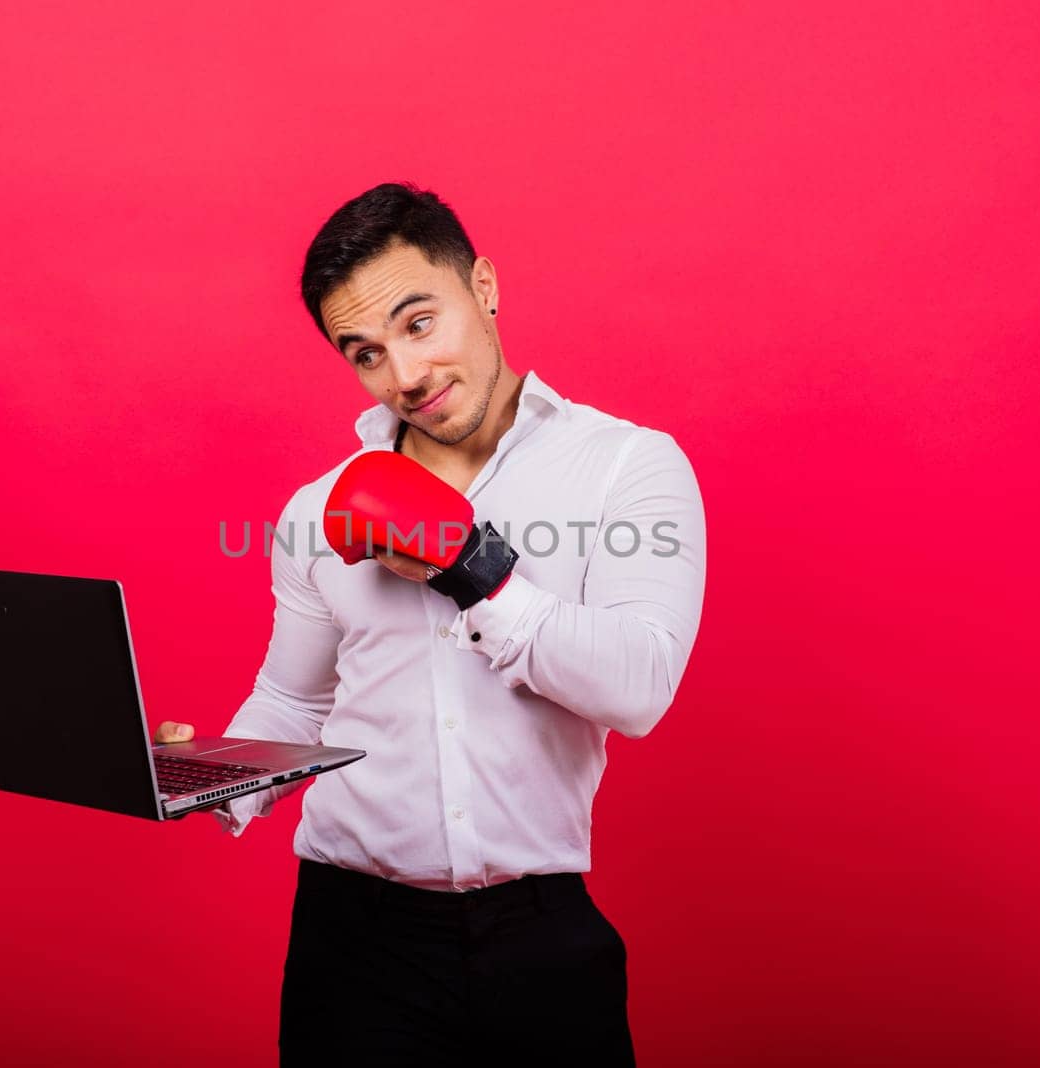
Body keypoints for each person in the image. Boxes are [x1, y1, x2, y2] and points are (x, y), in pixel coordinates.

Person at [155, 182, 706, 1066]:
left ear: (482, 285)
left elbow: (638, 689)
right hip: (354, 941)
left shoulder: (624, 469)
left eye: (419, 324)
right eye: (364, 352)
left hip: (542, 936)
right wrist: (204, 773)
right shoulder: (316, 512)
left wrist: (477, 571)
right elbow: (293, 704)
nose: (404, 376)